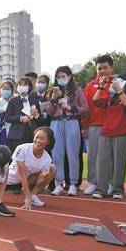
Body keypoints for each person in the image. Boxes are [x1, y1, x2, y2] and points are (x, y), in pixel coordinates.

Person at [92, 74, 126, 199]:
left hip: (122, 133)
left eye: (118, 81)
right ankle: (101, 189)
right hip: (106, 133)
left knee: (119, 163)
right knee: (102, 162)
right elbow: (95, 101)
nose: (114, 83)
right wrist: (101, 88)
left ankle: (117, 190)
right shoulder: (111, 98)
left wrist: (120, 90)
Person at [47, 66, 88, 196]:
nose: (60, 79)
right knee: (56, 154)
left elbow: (85, 108)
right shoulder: (53, 91)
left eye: (63, 76)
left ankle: (73, 184)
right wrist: (54, 99)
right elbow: (49, 111)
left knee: (72, 154)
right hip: (56, 123)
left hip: (71, 122)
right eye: (58, 77)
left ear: (69, 76)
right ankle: (59, 184)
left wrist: (71, 108)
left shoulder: (77, 90)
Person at [81, 55, 114, 195]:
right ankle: (93, 183)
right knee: (92, 155)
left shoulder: (117, 84)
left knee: (110, 157)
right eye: (99, 68)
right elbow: (86, 108)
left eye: (105, 68)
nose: (102, 71)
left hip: (112, 126)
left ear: (112, 68)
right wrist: (84, 126)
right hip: (93, 125)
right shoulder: (90, 86)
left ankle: (111, 182)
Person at [7, 127, 57, 208]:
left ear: (48, 142)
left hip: (27, 180)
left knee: (53, 168)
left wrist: (43, 178)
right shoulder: (22, 148)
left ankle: (33, 195)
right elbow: (22, 174)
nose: (38, 141)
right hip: (9, 180)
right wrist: (27, 197)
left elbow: (40, 183)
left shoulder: (47, 159)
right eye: (36, 137)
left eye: (42, 139)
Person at [5, 77, 42, 153]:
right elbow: (7, 117)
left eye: (24, 85)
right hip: (17, 135)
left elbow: (41, 119)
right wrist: (20, 118)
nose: (21, 87)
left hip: (32, 133)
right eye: (20, 85)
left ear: (29, 87)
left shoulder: (34, 100)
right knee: (16, 157)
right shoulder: (13, 101)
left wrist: (37, 115)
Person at [0, 80, 14, 146]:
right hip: (2, 130)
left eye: (8, 89)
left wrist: (5, 112)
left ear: (11, 90)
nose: (6, 91)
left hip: (13, 128)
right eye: (4, 89)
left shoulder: (14, 101)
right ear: (0, 90)